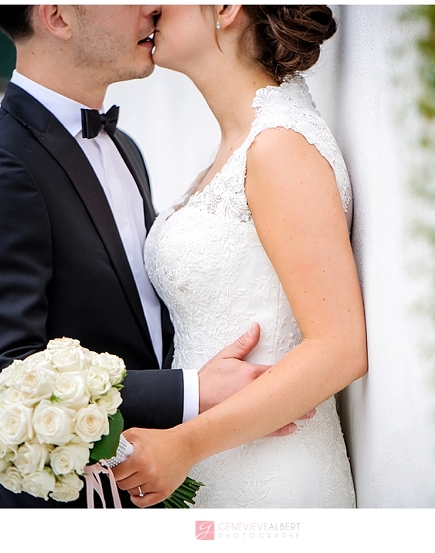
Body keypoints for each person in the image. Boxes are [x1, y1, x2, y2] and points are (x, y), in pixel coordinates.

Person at [0, 5, 297, 508]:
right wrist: (191, 391)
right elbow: (2, 383)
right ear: (58, 17)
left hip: (163, 487)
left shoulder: (125, 148)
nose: (152, 6)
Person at [112, 5, 367, 508]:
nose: (147, 7)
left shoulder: (280, 145)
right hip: (209, 474)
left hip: (273, 481)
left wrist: (186, 443)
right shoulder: (239, 144)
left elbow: (340, 347)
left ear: (226, 8)